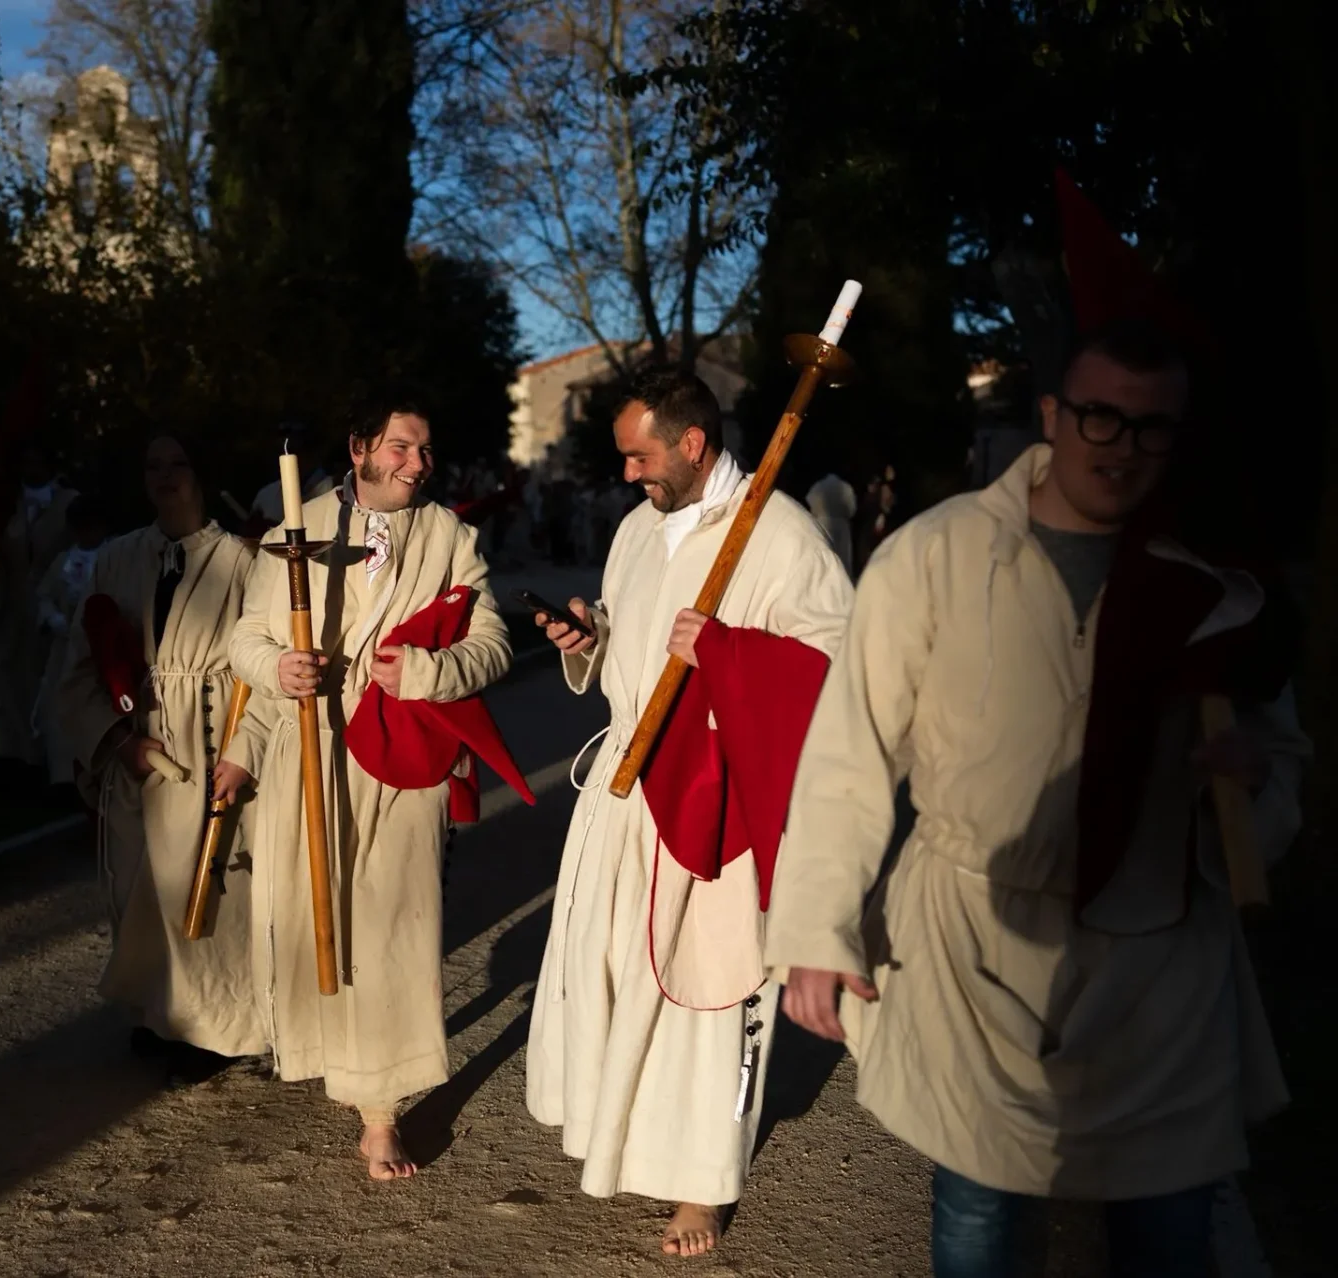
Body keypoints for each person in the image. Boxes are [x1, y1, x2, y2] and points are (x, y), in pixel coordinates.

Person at [769, 320, 1311, 1277]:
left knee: (1167, 1233)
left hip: (1158, 954)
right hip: (974, 940)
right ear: (1053, 416)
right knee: (978, 1223)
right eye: (1100, 417)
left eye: (1151, 428)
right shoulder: (935, 555)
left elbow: (1277, 754)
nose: (1122, 446)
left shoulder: (1214, 585)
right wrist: (816, 928)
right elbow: (850, 749)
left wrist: (1255, 784)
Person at [524, 367, 853, 1257]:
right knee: (617, 977)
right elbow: (631, 651)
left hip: (714, 795)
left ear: (693, 443)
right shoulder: (636, 529)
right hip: (625, 791)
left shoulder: (778, 534)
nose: (628, 474)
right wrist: (588, 643)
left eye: (640, 455)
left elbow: (836, 662)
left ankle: (703, 1184)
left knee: (705, 996)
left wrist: (729, 653)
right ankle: (624, 1138)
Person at [218, 391, 514, 1181]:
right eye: (401, 448)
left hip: (400, 756)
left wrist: (429, 671)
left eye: (423, 451)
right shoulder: (297, 527)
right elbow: (245, 638)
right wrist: (278, 668)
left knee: (392, 930)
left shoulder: (450, 534)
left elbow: (492, 643)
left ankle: (381, 1113)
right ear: (359, 450)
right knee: (322, 921)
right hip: (307, 754)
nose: (418, 464)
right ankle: (338, 1061)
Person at [52, 432, 263, 1077]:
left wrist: (244, 747)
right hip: (137, 741)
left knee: (206, 887)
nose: (165, 476)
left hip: (210, 740)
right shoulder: (115, 558)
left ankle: (208, 1025)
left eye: (179, 463)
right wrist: (117, 741)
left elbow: (265, 666)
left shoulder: (242, 560)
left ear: (203, 474)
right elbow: (79, 664)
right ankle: (154, 1011)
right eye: (153, 465)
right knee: (138, 879)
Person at [0, 442, 77, 788]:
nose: (31, 467)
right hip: (12, 613)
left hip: (53, 608)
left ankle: (53, 763)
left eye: (36, 459)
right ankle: (11, 757)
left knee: (51, 686)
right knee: (10, 686)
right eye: (25, 460)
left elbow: (80, 551)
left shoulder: (69, 503)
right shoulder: (6, 507)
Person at [34, 494, 110, 792]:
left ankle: (100, 772)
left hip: (102, 649)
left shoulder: (114, 555)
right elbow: (44, 596)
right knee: (61, 708)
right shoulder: (64, 561)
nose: (88, 534)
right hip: (67, 648)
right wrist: (52, 617)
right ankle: (65, 775)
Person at [806, 470, 859, 576]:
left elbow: (811, 503)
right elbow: (852, 509)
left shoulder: (818, 486)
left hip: (822, 524)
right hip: (841, 526)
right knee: (843, 559)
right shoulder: (846, 487)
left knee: (825, 557)